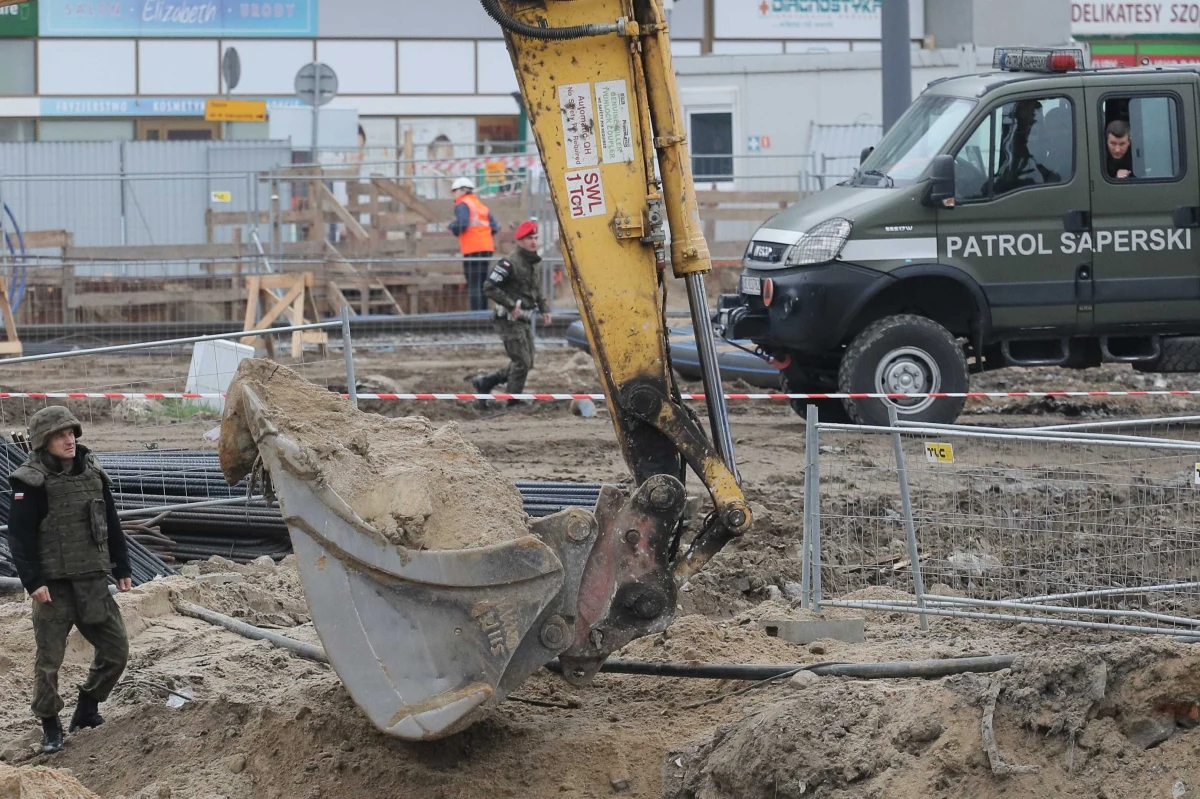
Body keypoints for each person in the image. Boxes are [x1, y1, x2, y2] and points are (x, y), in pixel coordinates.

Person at [5, 407, 131, 755]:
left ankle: (87, 708)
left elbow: (111, 522)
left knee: (117, 652)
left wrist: (122, 567)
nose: (69, 439)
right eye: (61, 435)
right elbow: (20, 538)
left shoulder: (93, 474)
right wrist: (33, 582)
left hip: (91, 580)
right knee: (48, 664)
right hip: (52, 590)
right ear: (44, 441)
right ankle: (50, 727)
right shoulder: (29, 482)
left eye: (72, 433)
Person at [470, 220, 551, 406]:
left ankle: (486, 382)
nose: (534, 242)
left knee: (527, 362)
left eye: (536, 238)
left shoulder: (533, 263)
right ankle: (512, 401)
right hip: (507, 319)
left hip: (523, 319)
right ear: (520, 240)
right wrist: (510, 305)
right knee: (521, 361)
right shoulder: (509, 263)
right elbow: (489, 287)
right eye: (530, 238)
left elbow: (535, 289)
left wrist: (544, 309)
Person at [449, 177, 500, 312]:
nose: (453, 194)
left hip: (472, 249)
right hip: (486, 248)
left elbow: (463, 224)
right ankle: (483, 313)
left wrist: (452, 227)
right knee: (483, 282)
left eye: (454, 191)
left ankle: (475, 314)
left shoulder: (462, 204)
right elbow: (494, 227)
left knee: (473, 283)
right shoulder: (481, 205)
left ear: (462, 191)